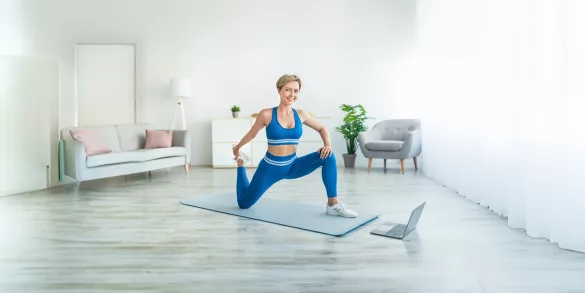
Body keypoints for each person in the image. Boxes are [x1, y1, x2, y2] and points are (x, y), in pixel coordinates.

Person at [231, 74, 358, 218]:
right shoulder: (266, 114)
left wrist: (327, 145)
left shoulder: (301, 114)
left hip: (293, 165)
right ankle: (241, 163)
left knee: (328, 156)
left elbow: (322, 128)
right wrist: (237, 148)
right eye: (288, 90)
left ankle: (333, 204)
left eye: (296, 91)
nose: (292, 94)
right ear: (279, 90)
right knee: (244, 204)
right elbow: (252, 134)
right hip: (270, 168)